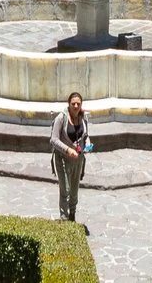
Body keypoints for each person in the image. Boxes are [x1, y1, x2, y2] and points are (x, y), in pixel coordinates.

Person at [48, 91, 90, 224]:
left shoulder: (83, 118)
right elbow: (53, 140)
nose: (76, 106)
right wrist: (68, 150)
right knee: (65, 189)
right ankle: (64, 218)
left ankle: (72, 215)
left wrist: (88, 145)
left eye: (78, 103)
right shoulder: (61, 118)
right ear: (68, 104)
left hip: (78, 160)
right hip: (63, 159)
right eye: (73, 104)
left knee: (74, 190)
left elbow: (86, 136)